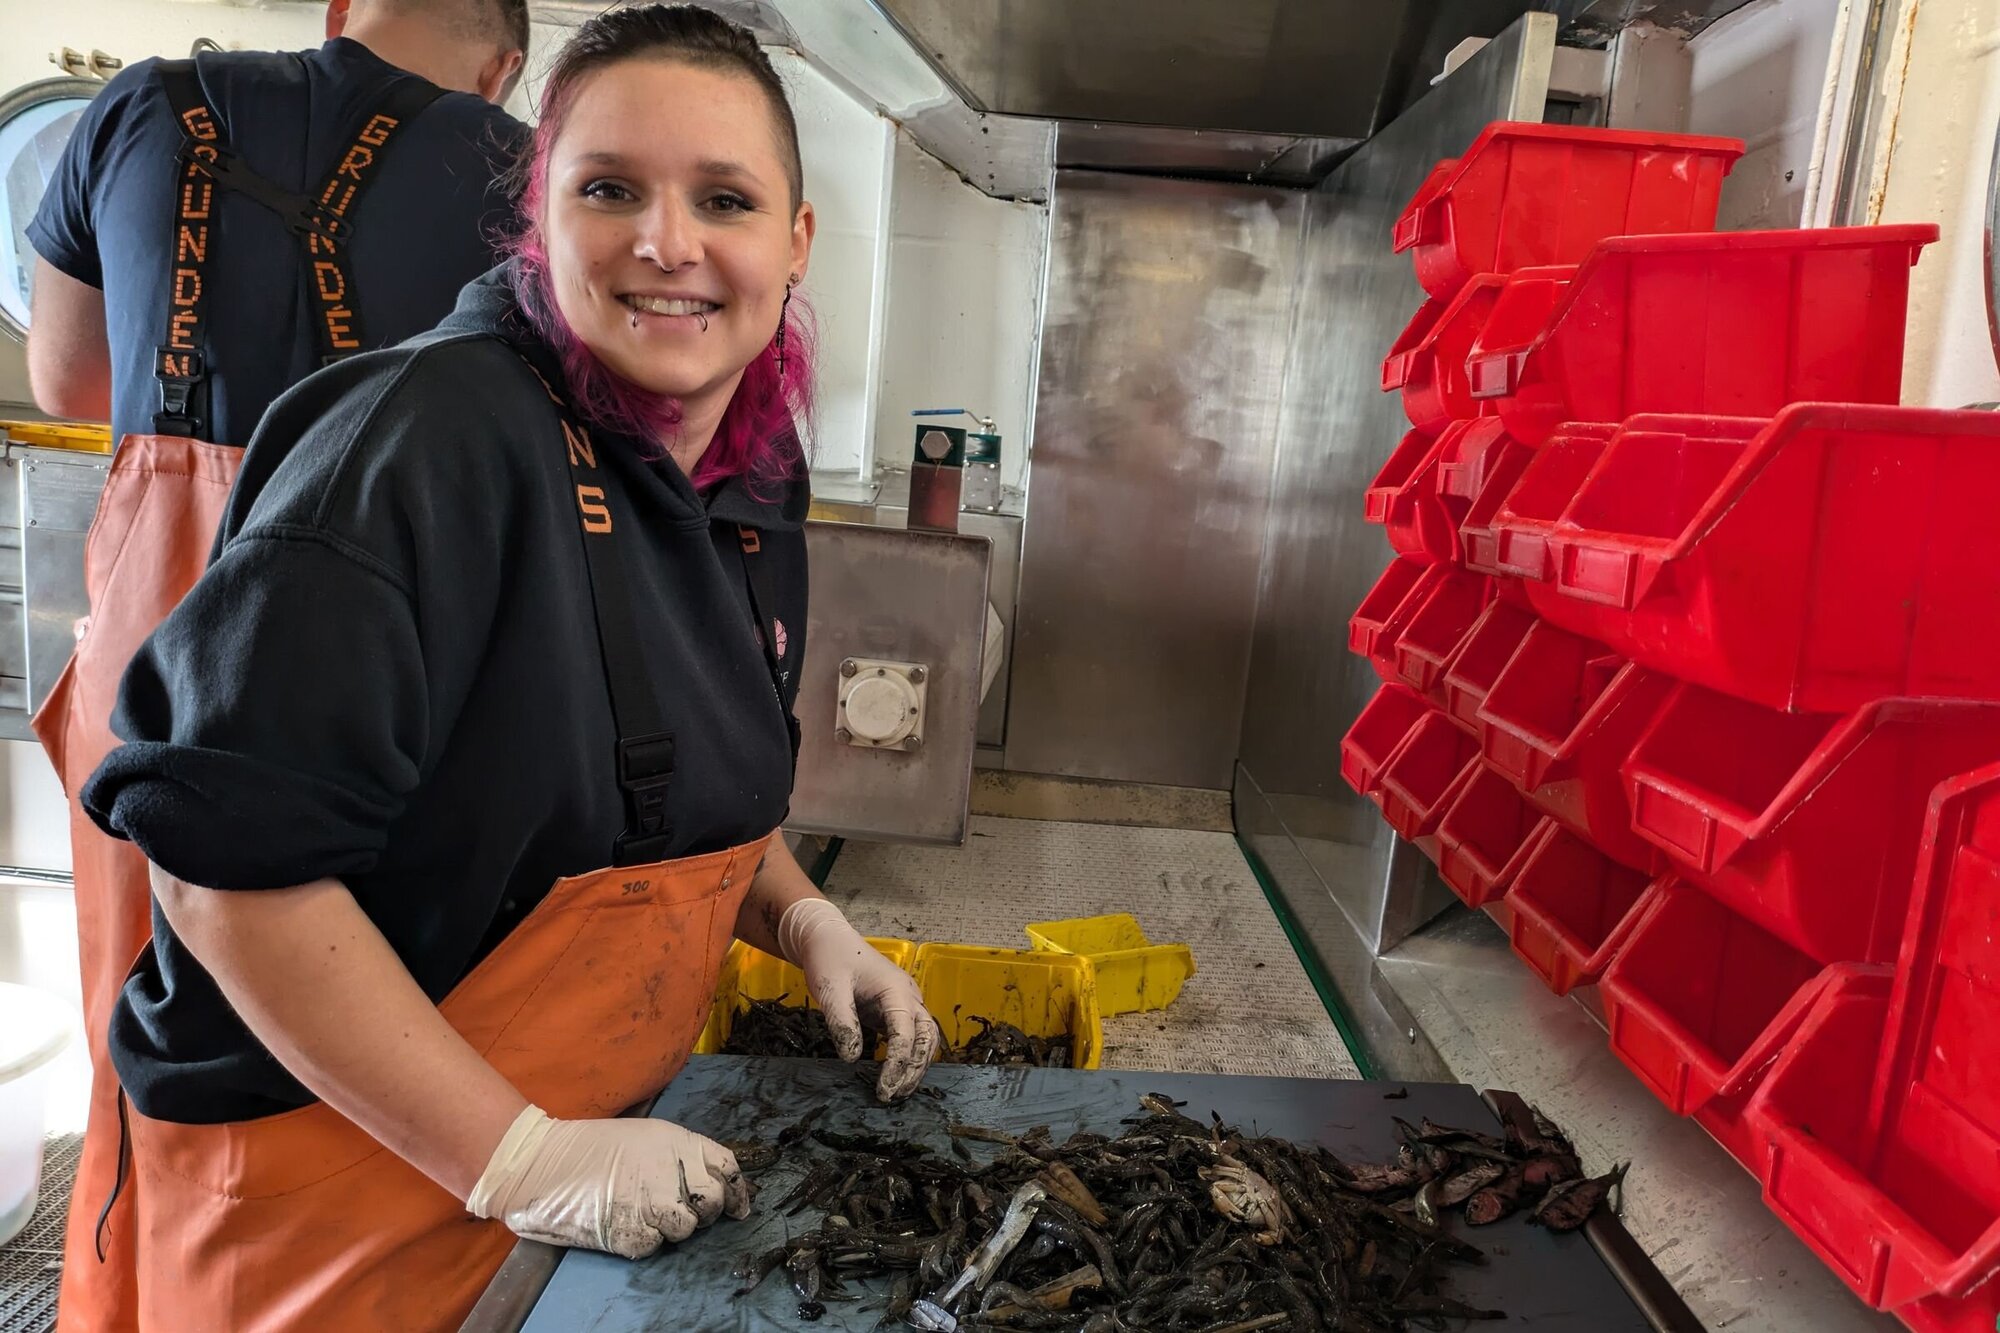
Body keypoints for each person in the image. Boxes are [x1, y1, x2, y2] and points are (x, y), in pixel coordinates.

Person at [73, 5, 942, 1329]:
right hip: (324, 1212)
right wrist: (520, 1156)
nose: (669, 243)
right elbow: (220, 879)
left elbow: (639, 786)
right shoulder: (419, 447)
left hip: (564, 1202)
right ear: (540, 216)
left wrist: (807, 920)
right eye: (610, 189)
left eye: (724, 197)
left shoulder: (751, 477)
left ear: (793, 241)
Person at [21, 5, 527, 1328]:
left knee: (142, 1041)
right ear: (505, 64)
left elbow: (68, 373)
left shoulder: (131, 107)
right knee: (351, 1026)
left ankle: (125, 1298)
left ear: (340, 10)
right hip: (385, 648)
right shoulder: (518, 168)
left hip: (152, 626)